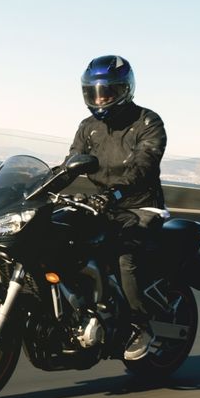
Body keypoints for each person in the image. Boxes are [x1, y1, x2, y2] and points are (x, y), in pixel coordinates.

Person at [67, 54, 168, 360]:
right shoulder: (88, 127)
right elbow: (70, 164)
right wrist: (40, 187)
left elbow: (143, 167)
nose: (100, 99)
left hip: (142, 206)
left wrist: (115, 194)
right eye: (94, 92)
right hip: (104, 205)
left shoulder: (148, 122)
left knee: (125, 255)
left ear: (125, 89)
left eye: (107, 92)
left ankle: (140, 325)